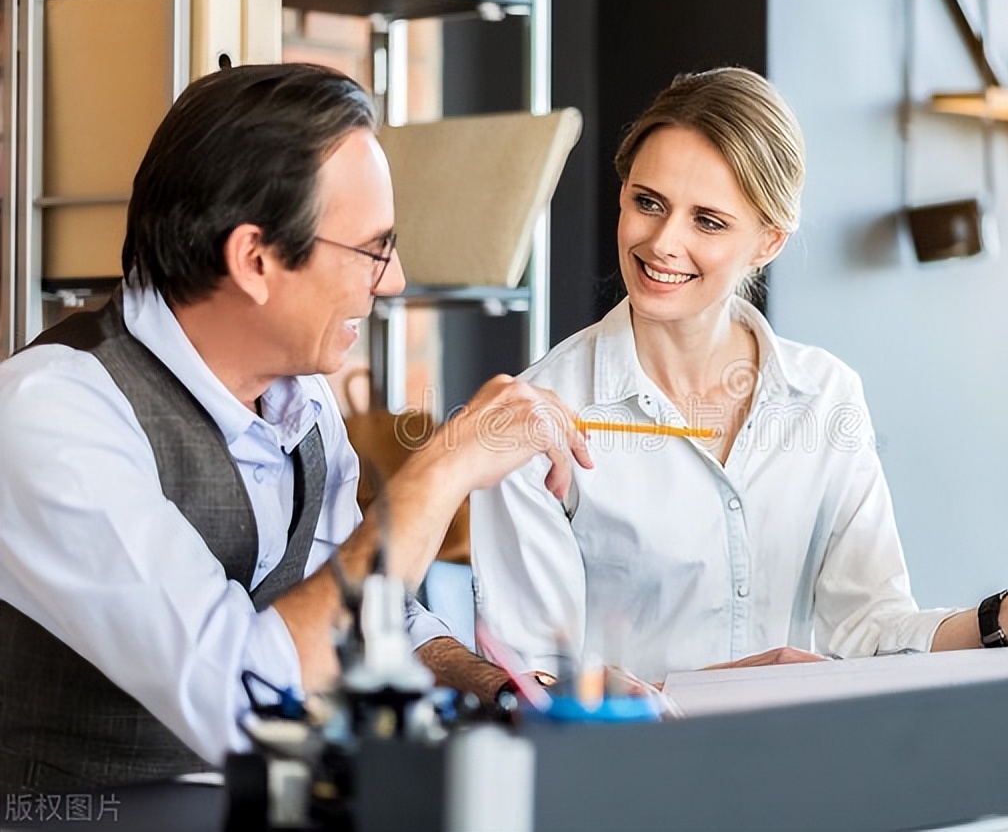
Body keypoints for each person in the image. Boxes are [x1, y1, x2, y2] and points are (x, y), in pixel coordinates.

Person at [469, 67, 1008, 685]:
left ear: (768, 240)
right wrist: (718, 689)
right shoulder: (535, 416)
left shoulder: (825, 395)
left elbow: (871, 632)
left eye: (708, 221)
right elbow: (529, 682)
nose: (662, 242)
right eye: (647, 202)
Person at [0, 63, 591, 792]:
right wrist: (443, 469)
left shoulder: (300, 400)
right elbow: (238, 700)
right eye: (374, 249)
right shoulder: (52, 414)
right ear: (254, 260)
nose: (396, 279)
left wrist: (497, 689)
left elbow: (362, 616)